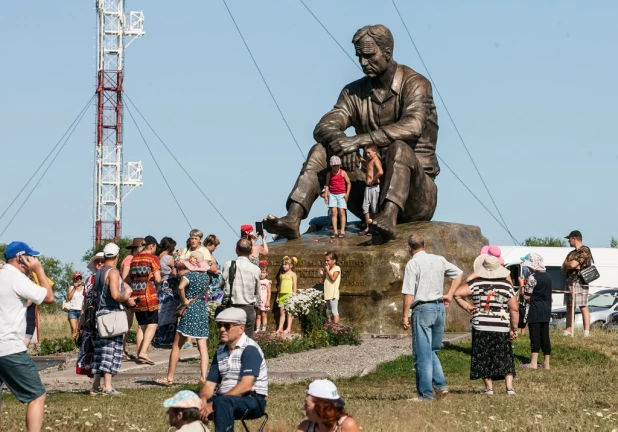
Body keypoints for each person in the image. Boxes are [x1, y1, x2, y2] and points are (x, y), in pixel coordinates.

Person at [263, 24, 440, 241]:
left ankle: (389, 217)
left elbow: (413, 126)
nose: (363, 63)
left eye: (369, 56)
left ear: (387, 52)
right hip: (368, 190)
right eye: (359, 57)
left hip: (416, 195)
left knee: (399, 148)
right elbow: (324, 125)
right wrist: (340, 141)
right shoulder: (353, 92)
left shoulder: (415, 84)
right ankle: (293, 218)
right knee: (321, 150)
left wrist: (356, 142)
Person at [401, 234, 463, 401]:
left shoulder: (412, 263)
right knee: (432, 350)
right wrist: (449, 294)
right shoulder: (439, 259)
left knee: (422, 353)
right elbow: (458, 273)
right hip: (439, 308)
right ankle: (440, 385)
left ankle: (425, 394)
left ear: (409, 248)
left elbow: (408, 293)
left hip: (423, 309)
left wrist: (405, 315)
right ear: (424, 245)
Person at [0, 241, 55, 431]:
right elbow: (48, 297)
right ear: (20, 258)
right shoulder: (16, 278)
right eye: (30, 258)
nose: (33, 261)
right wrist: (39, 270)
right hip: (9, 348)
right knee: (36, 396)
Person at [454, 254, 518, 395]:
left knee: (483, 356)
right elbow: (514, 309)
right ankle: (509, 387)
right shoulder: (506, 286)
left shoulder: (476, 284)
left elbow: (457, 294)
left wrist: (467, 306)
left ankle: (489, 388)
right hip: (501, 325)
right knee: (505, 355)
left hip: (481, 325)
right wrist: (514, 328)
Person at [199, 308, 268, 432]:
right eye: (219, 325)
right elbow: (209, 385)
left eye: (227, 326)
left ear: (241, 328)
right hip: (224, 399)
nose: (221, 329)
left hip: (252, 399)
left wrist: (214, 404)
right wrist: (203, 400)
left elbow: (246, 385)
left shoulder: (250, 349)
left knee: (222, 403)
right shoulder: (220, 352)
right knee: (188, 403)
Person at [158, 251, 211, 387]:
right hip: (201, 310)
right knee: (202, 346)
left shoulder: (189, 276)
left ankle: (170, 377)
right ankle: (204, 377)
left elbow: (181, 287)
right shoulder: (206, 278)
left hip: (190, 310)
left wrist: (184, 300)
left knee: (176, 345)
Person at [91, 243, 136, 396]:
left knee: (100, 351)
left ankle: (95, 386)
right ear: (118, 256)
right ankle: (108, 387)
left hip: (101, 314)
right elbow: (116, 295)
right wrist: (128, 300)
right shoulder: (113, 272)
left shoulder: (99, 272)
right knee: (111, 350)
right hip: (112, 313)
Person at [128, 235, 161, 364]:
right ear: (152, 246)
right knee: (152, 324)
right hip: (149, 296)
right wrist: (158, 285)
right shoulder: (153, 258)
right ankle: (144, 352)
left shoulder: (134, 258)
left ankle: (139, 353)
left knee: (141, 326)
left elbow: (130, 277)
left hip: (136, 296)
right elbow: (157, 279)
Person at [218, 239, 260, 339]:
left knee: (230, 340)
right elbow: (257, 291)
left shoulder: (228, 265)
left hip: (232, 307)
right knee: (247, 340)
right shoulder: (256, 269)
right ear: (251, 251)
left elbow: (221, 284)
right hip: (248, 308)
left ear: (236, 250)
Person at [520, 253, 552, 369]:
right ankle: (546, 363)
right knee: (545, 335)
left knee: (535, 335)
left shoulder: (533, 277)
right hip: (546, 308)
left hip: (535, 308)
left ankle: (533, 363)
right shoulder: (548, 276)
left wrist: (521, 286)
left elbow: (527, 296)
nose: (528, 268)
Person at [76, 252, 105, 380]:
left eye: (102, 261)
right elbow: (85, 300)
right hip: (89, 316)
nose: (99, 263)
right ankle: (92, 372)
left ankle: (101, 373)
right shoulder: (89, 280)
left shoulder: (108, 277)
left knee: (101, 344)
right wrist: (82, 317)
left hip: (102, 314)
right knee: (88, 343)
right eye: (97, 261)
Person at [296, 379, 361, 432]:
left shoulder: (346, 425)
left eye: (307, 404)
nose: (304, 408)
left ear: (320, 406)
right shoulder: (305, 426)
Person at [561, 230, 593, 337]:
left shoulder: (585, 250)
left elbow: (573, 264)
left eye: (569, 239)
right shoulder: (571, 253)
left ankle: (586, 332)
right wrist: (568, 265)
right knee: (569, 306)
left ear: (574, 239)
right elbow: (563, 268)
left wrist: (569, 264)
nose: (568, 242)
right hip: (569, 281)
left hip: (580, 281)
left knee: (583, 306)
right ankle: (568, 329)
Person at [121, 237, 144, 360]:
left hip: (131, 294)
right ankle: (121, 350)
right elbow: (125, 277)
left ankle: (123, 349)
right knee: (126, 324)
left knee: (128, 324)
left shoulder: (132, 259)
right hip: (128, 295)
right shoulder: (129, 260)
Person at [154, 237, 179, 347]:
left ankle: (159, 336)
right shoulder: (169, 258)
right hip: (170, 285)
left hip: (161, 286)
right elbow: (174, 271)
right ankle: (168, 337)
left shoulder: (158, 258)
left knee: (161, 312)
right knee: (170, 312)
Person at [323, 156, 351, 239]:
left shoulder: (343, 172)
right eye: (334, 166)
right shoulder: (329, 174)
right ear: (331, 166)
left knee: (341, 212)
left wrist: (347, 194)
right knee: (334, 212)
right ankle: (335, 231)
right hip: (332, 195)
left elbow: (348, 183)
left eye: (338, 165)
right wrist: (326, 195)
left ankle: (342, 231)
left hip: (341, 194)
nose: (336, 167)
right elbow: (327, 185)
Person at [359, 144, 383, 235]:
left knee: (374, 208)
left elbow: (380, 172)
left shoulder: (376, 160)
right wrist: (361, 159)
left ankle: (375, 228)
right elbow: (367, 168)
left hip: (374, 186)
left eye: (369, 153)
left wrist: (373, 180)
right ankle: (368, 227)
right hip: (368, 187)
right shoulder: (370, 161)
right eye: (366, 153)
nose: (367, 155)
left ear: (374, 152)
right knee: (365, 207)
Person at [275, 256, 298, 334]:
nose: (284, 266)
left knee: (289, 312)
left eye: (286, 264)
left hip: (289, 295)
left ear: (291, 266)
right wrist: (278, 296)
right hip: (282, 295)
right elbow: (280, 286)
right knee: (282, 312)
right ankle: (280, 328)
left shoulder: (293, 274)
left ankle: (288, 328)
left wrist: (294, 295)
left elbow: (294, 285)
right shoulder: (281, 275)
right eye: (283, 264)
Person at [319, 251, 341, 323]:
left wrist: (327, 270)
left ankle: (335, 327)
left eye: (328, 260)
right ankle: (332, 326)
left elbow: (333, 278)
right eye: (325, 260)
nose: (326, 262)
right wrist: (323, 274)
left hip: (333, 293)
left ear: (334, 260)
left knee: (334, 311)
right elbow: (323, 281)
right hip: (328, 292)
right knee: (330, 311)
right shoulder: (329, 269)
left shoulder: (337, 268)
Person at [255, 260, 272, 332]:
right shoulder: (257, 281)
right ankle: (258, 328)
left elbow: (269, 292)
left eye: (263, 272)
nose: (262, 274)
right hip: (258, 300)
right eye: (260, 272)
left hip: (264, 300)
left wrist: (268, 301)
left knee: (264, 314)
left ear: (266, 273)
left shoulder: (267, 282)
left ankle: (264, 328)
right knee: (258, 315)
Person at [67, 272, 84, 340]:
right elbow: (69, 297)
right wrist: (75, 288)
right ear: (74, 279)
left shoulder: (84, 288)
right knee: (74, 330)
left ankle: (79, 345)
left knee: (81, 330)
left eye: (80, 278)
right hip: (73, 311)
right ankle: (70, 345)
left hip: (81, 311)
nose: (79, 280)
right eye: (77, 278)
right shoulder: (71, 288)